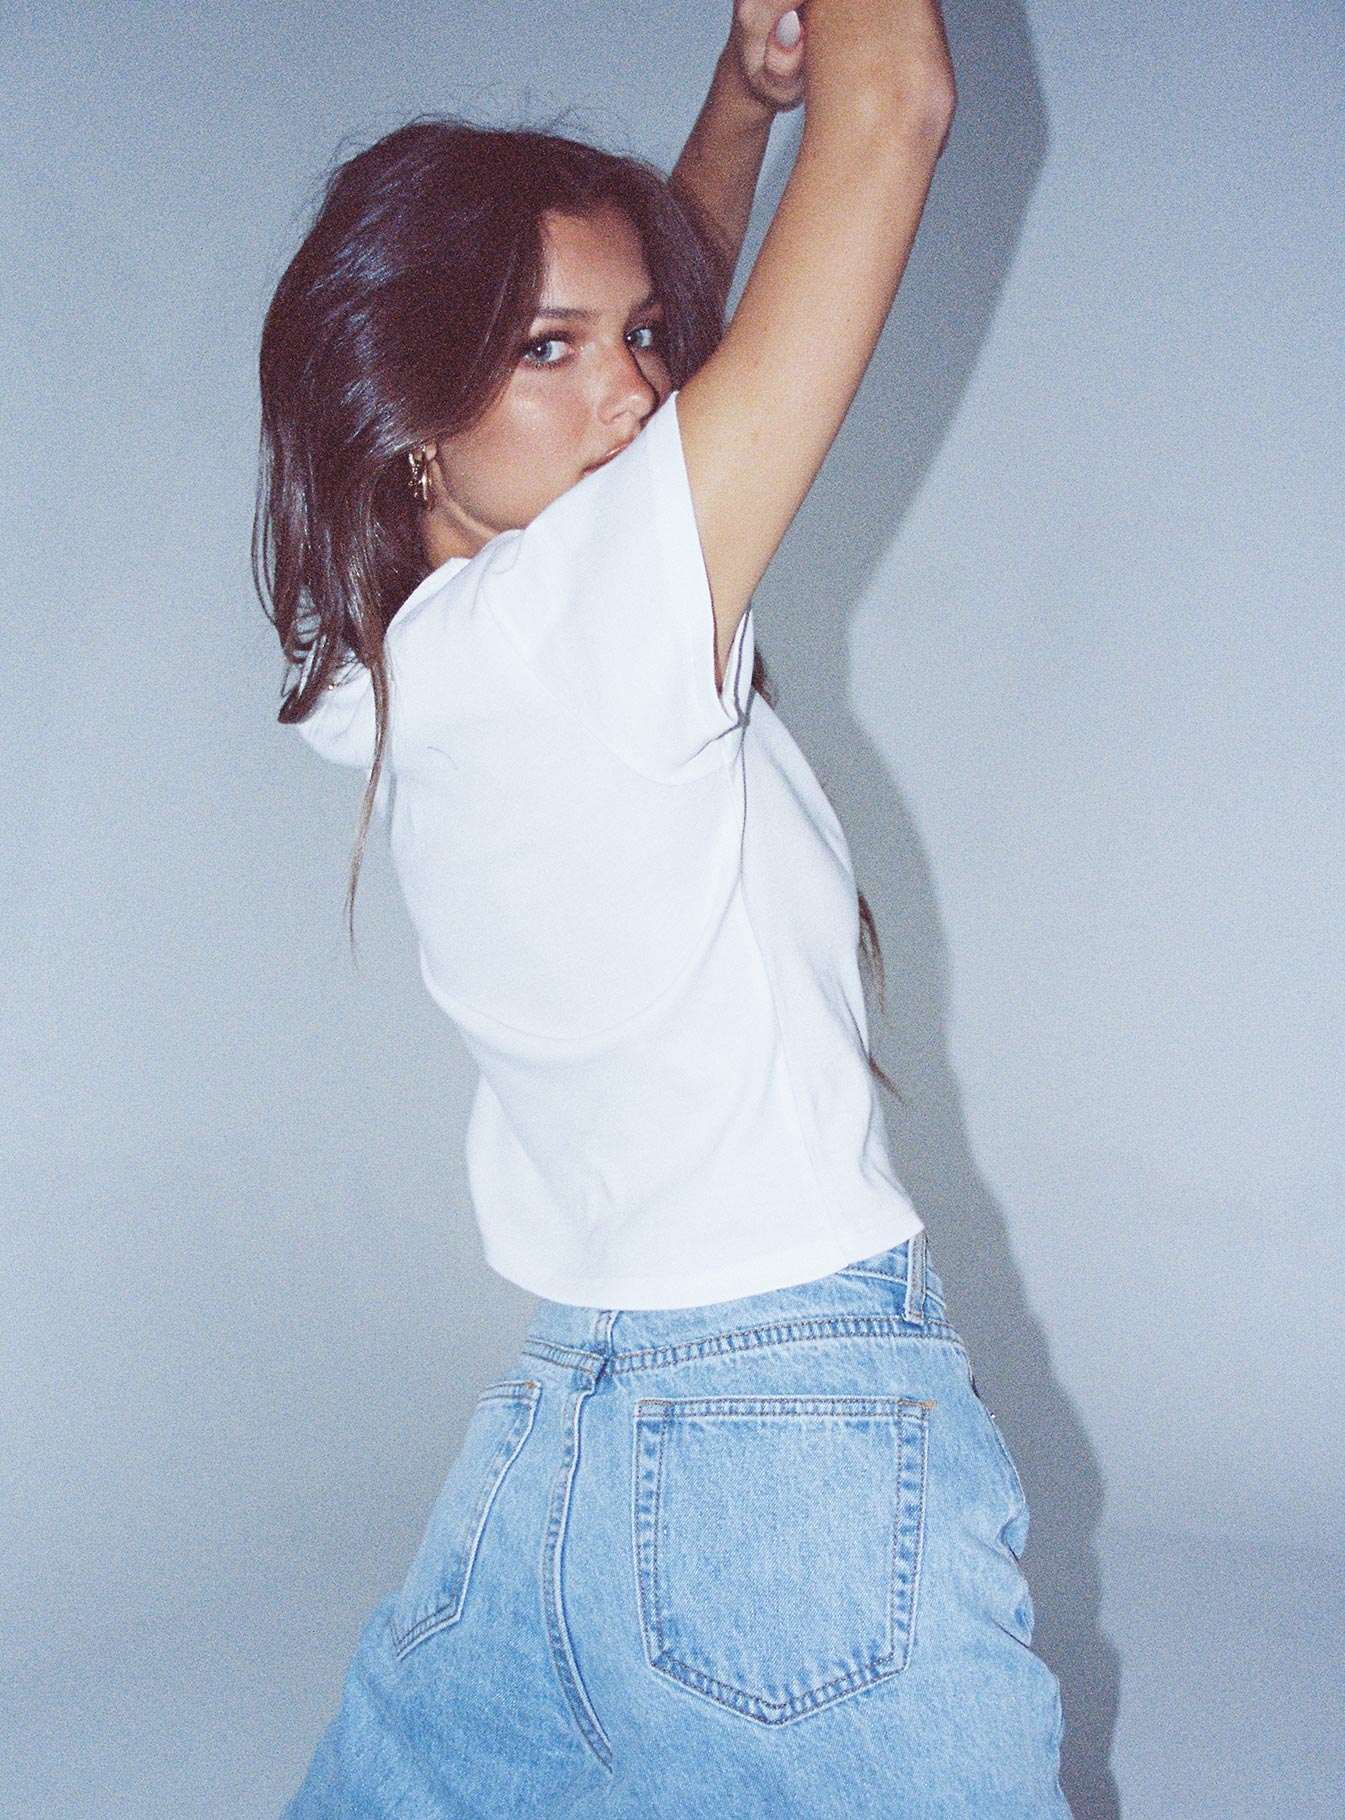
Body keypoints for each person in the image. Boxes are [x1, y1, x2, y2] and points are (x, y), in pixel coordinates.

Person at [256, 2, 1072, 1813]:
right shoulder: (587, 617)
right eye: (545, 348)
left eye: (640, 338)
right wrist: (836, 75)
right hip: (791, 1437)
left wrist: (732, 105)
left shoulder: (391, 670)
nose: (631, 389)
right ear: (404, 399)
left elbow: (640, 363)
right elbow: (899, 111)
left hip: (566, 1435)